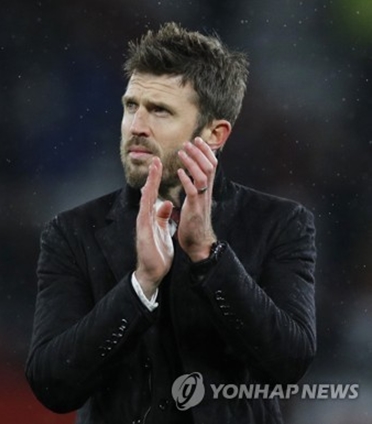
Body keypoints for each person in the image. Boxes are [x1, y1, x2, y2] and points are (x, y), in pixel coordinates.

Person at [25, 22, 316, 424]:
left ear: (214, 133)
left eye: (159, 111)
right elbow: (53, 385)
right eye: (131, 106)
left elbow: (290, 362)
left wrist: (208, 255)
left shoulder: (280, 224)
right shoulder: (72, 232)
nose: (136, 126)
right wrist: (140, 285)